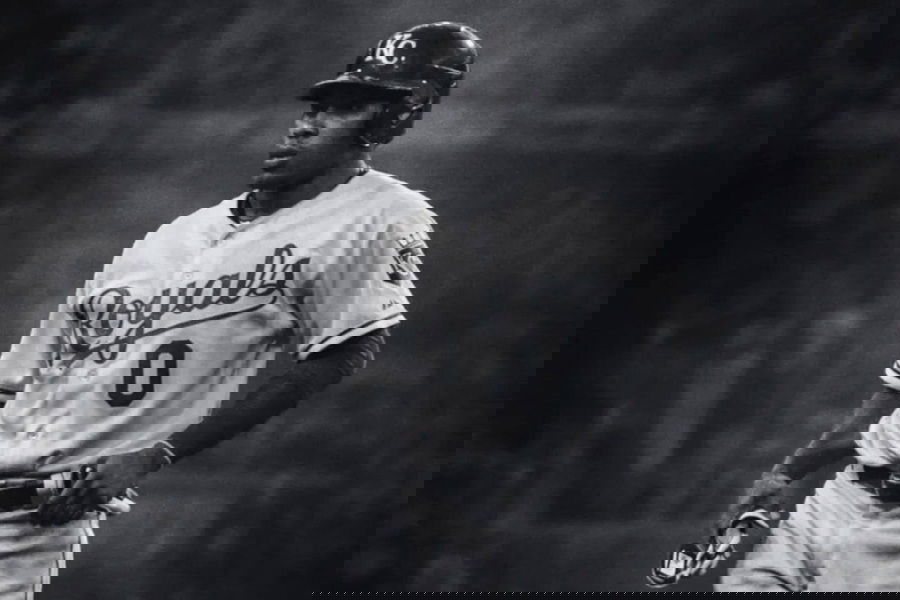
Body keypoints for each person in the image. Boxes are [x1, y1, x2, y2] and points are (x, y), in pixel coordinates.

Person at [0, 21, 480, 598]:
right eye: (321, 106)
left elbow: (341, 355)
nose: (310, 124)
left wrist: (154, 454)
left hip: (35, 502)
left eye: (350, 108)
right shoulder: (184, 230)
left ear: (397, 119)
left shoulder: (384, 212)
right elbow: (30, 361)